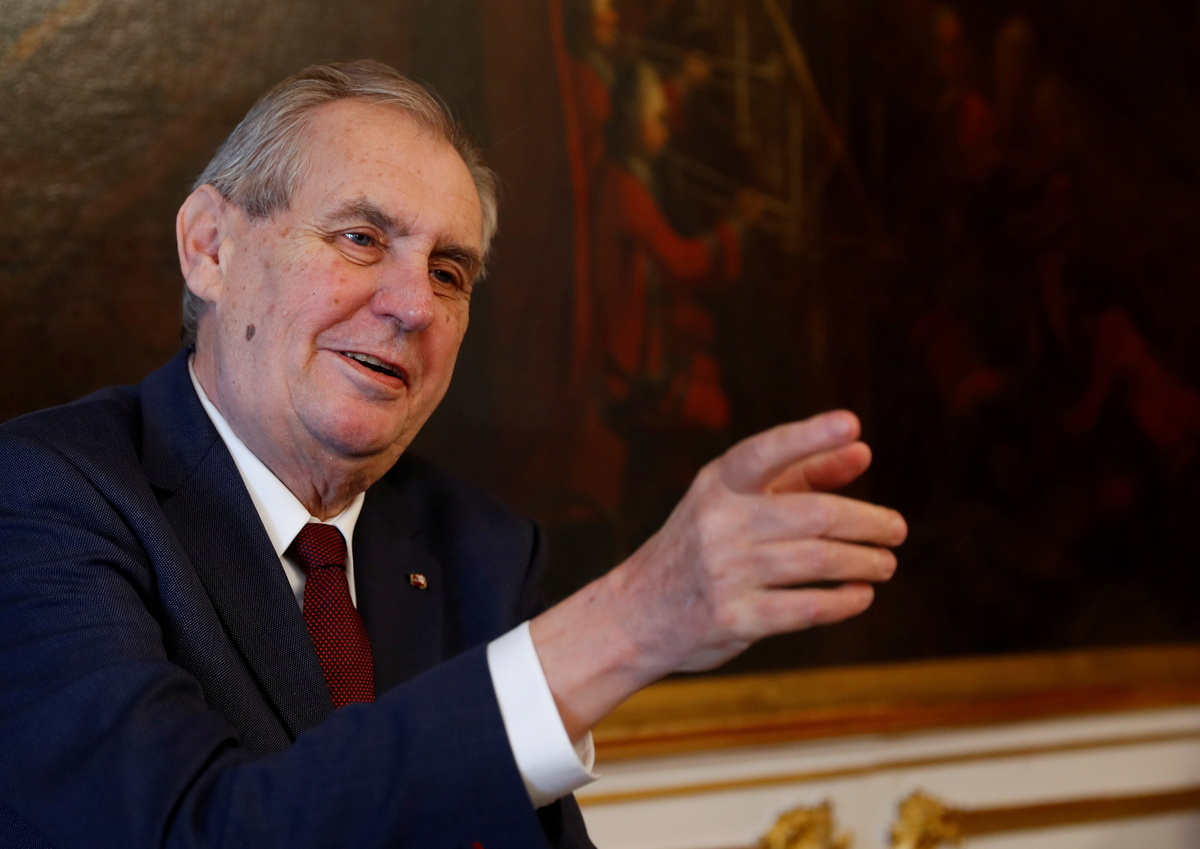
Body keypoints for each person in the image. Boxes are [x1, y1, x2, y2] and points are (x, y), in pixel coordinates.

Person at [0, 61, 906, 849]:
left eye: (449, 272)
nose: (414, 306)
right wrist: (633, 620)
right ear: (211, 246)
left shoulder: (480, 547)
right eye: (361, 238)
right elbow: (191, 832)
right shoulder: (43, 496)